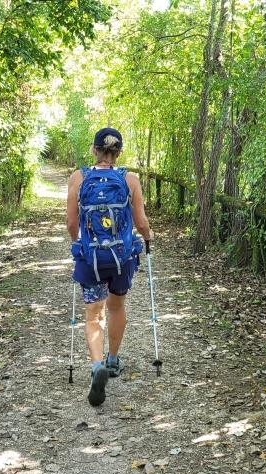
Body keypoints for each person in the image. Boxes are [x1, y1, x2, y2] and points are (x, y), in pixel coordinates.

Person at [67, 127, 153, 407]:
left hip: (91, 258)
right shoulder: (130, 180)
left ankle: (96, 366)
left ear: (94, 150)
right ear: (119, 153)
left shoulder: (78, 178)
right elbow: (141, 222)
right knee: (116, 306)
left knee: (94, 314)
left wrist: (78, 245)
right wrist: (148, 237)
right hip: (121, 258)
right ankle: (113, 360)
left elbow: (71, 222)